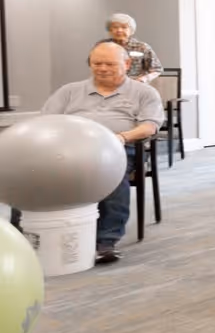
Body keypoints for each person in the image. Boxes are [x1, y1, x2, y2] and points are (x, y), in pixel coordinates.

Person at [41, 40, 164, 264]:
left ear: (126, 64)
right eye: (97, 63)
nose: (102, 68)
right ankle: (28, 236)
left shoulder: (144, 93)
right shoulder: (69, 91)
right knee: (30, 173)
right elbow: (47, 121)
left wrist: (121, 137)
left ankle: (105, 241)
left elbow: (150, 126)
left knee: (110, 171)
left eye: (109, 63)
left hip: (119, 147)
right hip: (69, 149)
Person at [106, 13, 162, 84]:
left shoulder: (142, 47)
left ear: (131, 30)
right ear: (110, 30)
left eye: (124, 27)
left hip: (136, 87)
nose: (119, 30)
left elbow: (157, 69)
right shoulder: (102, 47)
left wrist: (142, 80)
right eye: (115, 27)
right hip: (109, 86)